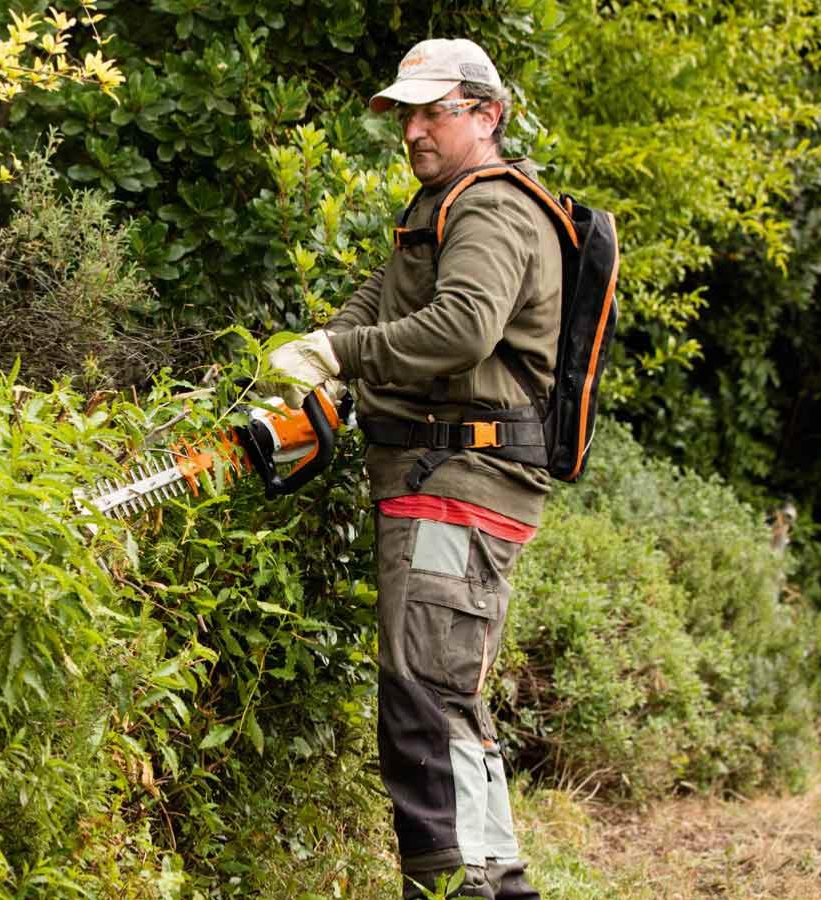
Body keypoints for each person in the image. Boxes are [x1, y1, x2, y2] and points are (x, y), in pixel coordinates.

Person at [258, 37, 560, 900]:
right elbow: (383, 298)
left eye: (436, 111)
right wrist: (322, 357)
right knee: (447, 699)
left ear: (488, 113)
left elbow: (464, 328)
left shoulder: (492, 211)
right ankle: (496, 883)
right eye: (408, 113)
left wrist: (344, 354)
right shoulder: (442, 205)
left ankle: (452, 888)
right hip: (439, 483)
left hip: (460, 486)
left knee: (424, 698)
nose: (416, 129)